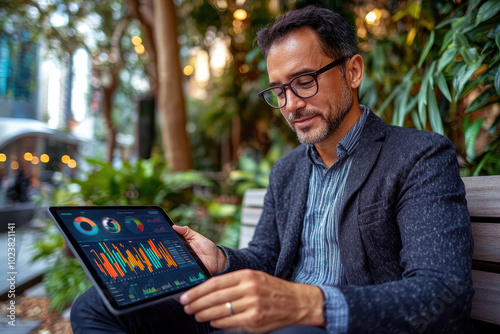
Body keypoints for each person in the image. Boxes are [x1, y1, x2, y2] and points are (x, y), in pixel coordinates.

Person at [71, 6, 474, 334]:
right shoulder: (288, 171)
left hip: (338, 325)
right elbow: (266, 257)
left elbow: (443, 293)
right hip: (265, 322)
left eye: (304, 81)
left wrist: (306, 303)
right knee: (98, 307)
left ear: (352, 72)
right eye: (279, 90)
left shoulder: (418, 156)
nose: (291, 105)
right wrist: (222, 261)